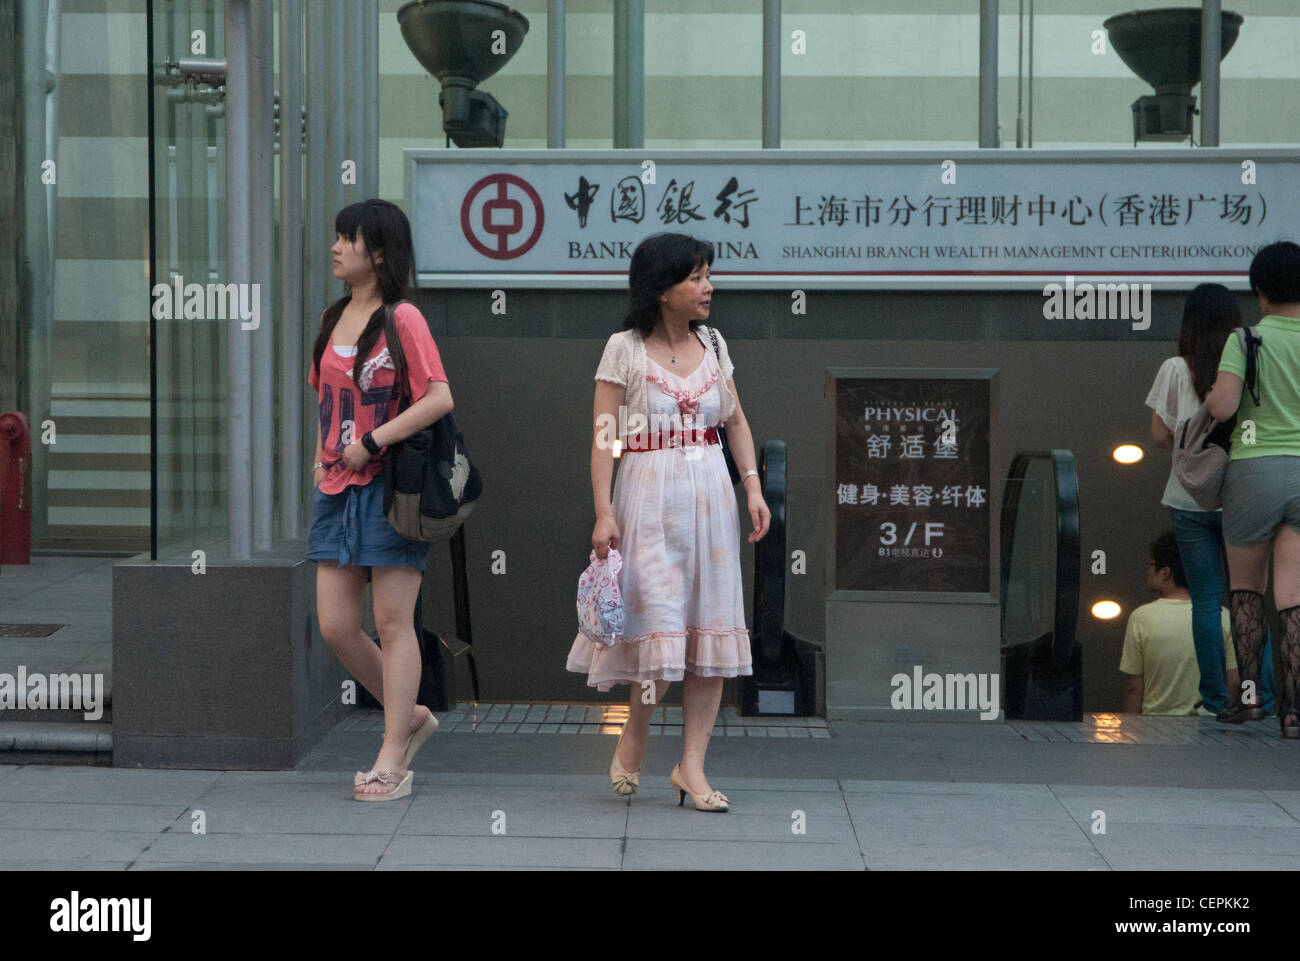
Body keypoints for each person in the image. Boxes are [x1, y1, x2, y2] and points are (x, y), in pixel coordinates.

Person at [567, 233, 771, 812]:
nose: (709, 288)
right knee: (658, 627)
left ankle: (693, 767)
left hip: (710, 498)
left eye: (708, 276)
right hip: (646, 500)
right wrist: (604, 512)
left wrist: (752, 486)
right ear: (661, 290)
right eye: (696, 277)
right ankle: (635, 733)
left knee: (709, 628)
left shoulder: (713, 342)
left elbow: (734, 422)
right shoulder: (624, 349)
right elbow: (606, 439)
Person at [307, 199, 454, 797]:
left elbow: (439, 397)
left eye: (350, 239)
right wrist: (320, 463)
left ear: (380, 253)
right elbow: (322, 401)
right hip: (335, 489)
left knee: (395, 626)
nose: (337, 247)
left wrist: (374, 439)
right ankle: (411, 713)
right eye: (338, 237)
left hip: (393, 488)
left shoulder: (404, 319)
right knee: (338, 625)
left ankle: (393, 753)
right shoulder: (331, 316)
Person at [1146, 283, 1274, 717]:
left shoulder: (1174, 369)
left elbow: (1160, 436)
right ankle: (1262, 697)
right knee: (1249, 598)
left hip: (1188, 499)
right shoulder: (1249, 363)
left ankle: (1217, 700)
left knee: (1205, 599)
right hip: (1243, 496)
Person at [1206, 240, 1300, 738]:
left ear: (1259, 292)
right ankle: (1296, 711)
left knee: (1247, 591)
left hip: (1253, 471)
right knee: (1293, 596)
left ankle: (1249, 700)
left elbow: (1222, 409)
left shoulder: (1246, 340)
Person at [1120, 532, 1238, 715]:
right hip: (1208, 726)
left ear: (1165, 572)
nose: (1147, 570)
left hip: (1154, 727)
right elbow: (1234, 681)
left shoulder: (1141, 617)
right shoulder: (1224, 616)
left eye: (1150, 564)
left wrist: (1128, 733)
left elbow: (1134, 688)